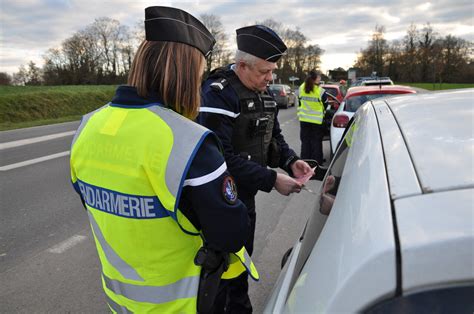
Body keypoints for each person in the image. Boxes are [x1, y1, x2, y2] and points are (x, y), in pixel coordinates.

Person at [70, 6, 258, 313]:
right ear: (187, 75)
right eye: (198, 75)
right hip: (180, 304)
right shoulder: (189, 141)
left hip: (120, 302)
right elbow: (231, 232)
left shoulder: (87, 127)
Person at [198, 25, 313, 313]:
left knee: (240, 262)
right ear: (241, 66)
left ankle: (239, 307)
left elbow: (273, 137)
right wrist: (273, 179)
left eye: (272, 71)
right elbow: (219, 157)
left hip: (244, 199)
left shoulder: (264, 93)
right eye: (264, 71)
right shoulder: (218, 95)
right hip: (218, 201)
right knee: (218, 271)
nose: (270, 77)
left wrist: (290, 161)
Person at [297, 70, 329, 164]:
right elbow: (326, 104)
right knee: (316, 142)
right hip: (317, 121)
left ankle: (305, 160)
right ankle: (317, 161)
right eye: (319, 77)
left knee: (305, 141)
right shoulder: (321, 91)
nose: (320, 79)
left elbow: (300, 102)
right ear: (315, 79)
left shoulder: (301, 88)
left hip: (304, 120)